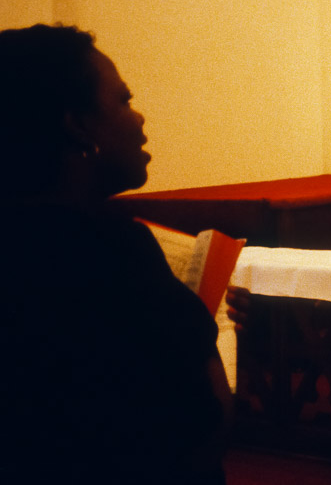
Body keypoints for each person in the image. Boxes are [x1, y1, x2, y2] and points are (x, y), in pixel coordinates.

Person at [0, 24, 231, 484]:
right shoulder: (110, 251)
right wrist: (209, 329)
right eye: (123, 100)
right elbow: (202, 420)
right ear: (77, 125)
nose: (140, 117)